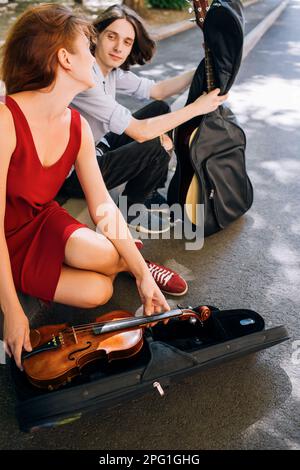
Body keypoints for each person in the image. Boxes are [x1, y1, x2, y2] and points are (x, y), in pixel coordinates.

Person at [0, 4, 193, 371]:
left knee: (101, 288)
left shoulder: (77, 125)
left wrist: (141, 277)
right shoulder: (5, 121)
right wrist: (11, 308)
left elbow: (104, 207)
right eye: (87, 48)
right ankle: (129, 260)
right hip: (6, 239)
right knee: (97, 285)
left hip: (42, 221)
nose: (95, 56)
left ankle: (134, 263)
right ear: (64, 58)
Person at [60, 4, 228, 233]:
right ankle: (132, 209)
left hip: (97, 148)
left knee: (159, 107)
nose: (119, 47)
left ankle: (147, 191)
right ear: (96, 37)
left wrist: (202, 66)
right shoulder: (86, 79)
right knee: (155, 145)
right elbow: (140, 131)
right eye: (111, 36)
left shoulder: (111, 72)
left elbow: (157, 90)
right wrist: (197, 108)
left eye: (127, 42)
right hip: (76, 174)